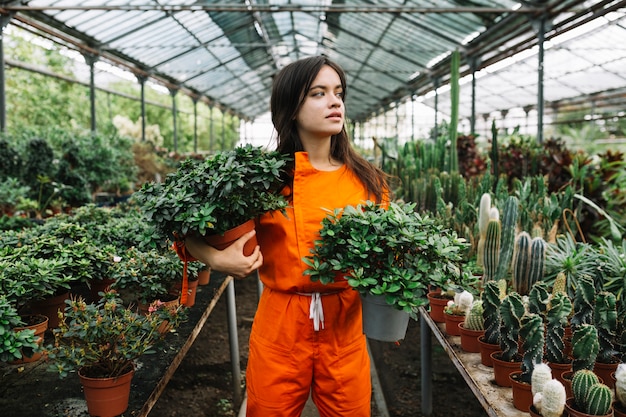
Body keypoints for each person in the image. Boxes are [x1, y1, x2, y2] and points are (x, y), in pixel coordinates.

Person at [185, 55, 389, 417]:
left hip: (344, 325)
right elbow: (185, 229)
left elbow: (391, 254)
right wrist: (217, 259)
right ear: (291, 107)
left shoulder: (368, 182)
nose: (335, 101)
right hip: (280, 324)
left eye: (338, 93)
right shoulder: (260, 181)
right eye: (318, 93)